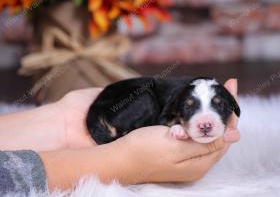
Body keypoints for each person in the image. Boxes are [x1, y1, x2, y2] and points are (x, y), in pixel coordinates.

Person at [0, 79, 240, 195]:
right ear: (178, 107)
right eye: (191, 108)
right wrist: (122, 159)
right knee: (145, 101)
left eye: (218, 107)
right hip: (110, 109)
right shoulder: (171, 101)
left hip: (110, 108)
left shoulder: (180, 97)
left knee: (146, 101)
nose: (206, 121)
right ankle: (119, 132)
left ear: (232, 108)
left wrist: (62, 119)